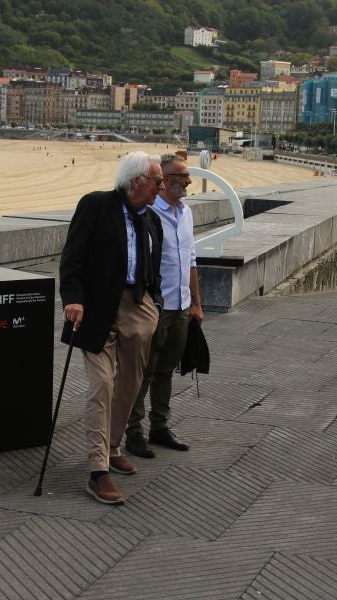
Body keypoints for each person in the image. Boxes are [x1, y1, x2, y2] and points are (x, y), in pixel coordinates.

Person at [59, 151, 165, 505]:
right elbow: (72, 257)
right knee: (101, 384)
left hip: (138, 304)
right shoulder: (96, 205)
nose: (160, 188)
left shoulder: (152, 219)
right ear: (136, 181)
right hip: (96, 307)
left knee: (131, 383)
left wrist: (155, 303)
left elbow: (154, 267)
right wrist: (72, 298)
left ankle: (114, 445)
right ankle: (98, 470)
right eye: (156, 181)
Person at [125, 154, 203, 459]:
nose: (188, 182)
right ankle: (133, 432)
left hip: (181, 305)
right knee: (143, 371)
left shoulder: (186, 213)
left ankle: (160, 426)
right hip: (156, 306)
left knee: (166, 370)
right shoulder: (147, 213)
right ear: (166, 179)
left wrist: (196, 303)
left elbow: (192, 260)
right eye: (182, 177)